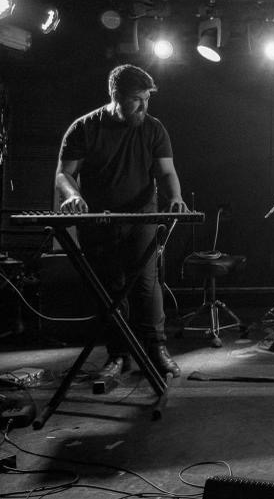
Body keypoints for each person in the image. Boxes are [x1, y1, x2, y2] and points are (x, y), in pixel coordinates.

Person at [55, 64, 188, 381]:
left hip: (141, 214)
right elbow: (64, 173)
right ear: (116, 96)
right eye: (137, 100)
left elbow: (166, 172)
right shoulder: (84, 128)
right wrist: (71, 196)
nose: (144, 106)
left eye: (146, 100)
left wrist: (175, 197)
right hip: (100, 220)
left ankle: (156, 349)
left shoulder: (153, 128)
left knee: (146, 283)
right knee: (110, 287)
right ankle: (118, 355)